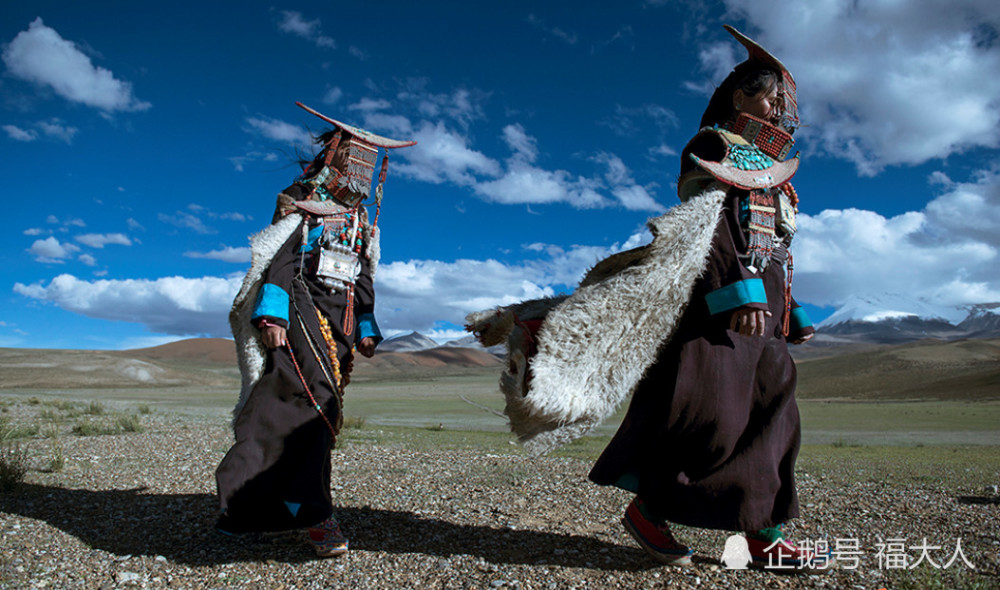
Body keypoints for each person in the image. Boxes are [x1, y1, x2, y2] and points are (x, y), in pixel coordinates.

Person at [466, 25, 818, 570]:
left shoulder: (777, 177)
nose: (778, 104)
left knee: (774, 418)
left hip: (764, 319)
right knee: (712, 420)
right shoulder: (714, 146)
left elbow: (773, 247)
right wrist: (742, 294)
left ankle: (762, 534)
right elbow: (704, 230)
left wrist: (790, 309)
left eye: (782, 97)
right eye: (770, 92)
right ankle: (650, 510)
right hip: (714, 309)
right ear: (740, 95)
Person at [215, 102, 415, 557]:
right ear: (337, 155)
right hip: (302, 310)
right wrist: (273, 317)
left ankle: (249, 505)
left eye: (369, 160)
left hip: (340, 329)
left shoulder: (363, 222)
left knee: (310, 415)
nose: (361, 168)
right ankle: (315, 517)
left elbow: (364, 279)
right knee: (313, 408)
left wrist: (366, 326)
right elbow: (281, 263)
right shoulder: (303, 203)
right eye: (355, 155)